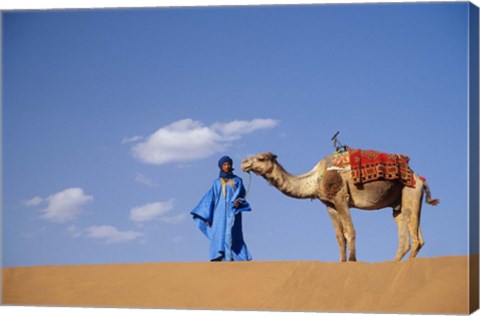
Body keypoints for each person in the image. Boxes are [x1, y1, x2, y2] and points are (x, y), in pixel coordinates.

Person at [191, 155, 252, 261]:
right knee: (219, 235)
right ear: (220, 166)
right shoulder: (216, 183)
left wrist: (239, 202)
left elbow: (242, 196)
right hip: (218, 215)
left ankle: (236, 259)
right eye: (225, 164)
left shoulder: (237, 181)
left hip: (233, 214)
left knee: (233, 235)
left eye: (229, 164)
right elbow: (210, 200)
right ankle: (219, 258)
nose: (227, 166)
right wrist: (207, 217)